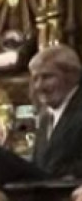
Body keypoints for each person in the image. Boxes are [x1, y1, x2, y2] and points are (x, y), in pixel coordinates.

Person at [29, 44, 82, 178]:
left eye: (47, 77)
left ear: (72, 76)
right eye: (35, 78)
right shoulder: (46, 117)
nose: (39, 86)